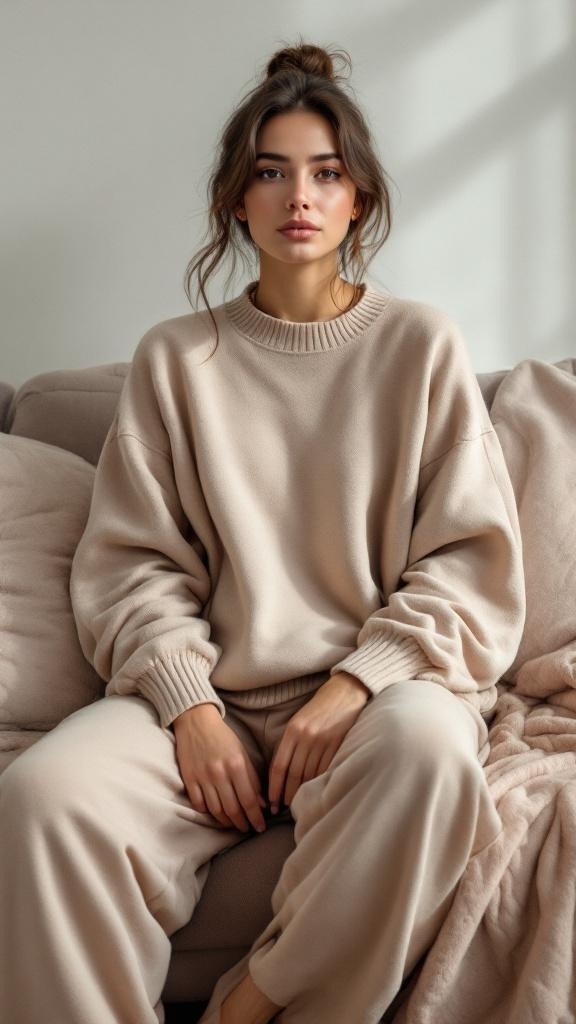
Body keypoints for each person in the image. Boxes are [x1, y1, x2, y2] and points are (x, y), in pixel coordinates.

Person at [0, 39, 525, 1024]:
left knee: (434, 758)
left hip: (380, 698)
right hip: (213, 702)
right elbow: (133, 566)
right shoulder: (176, 360)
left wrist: (358, 679)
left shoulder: (420, 347)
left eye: (327, 173)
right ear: (235, 200)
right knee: (43, 795)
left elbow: (468, 560)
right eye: (272, 173)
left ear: (358, 198)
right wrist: (191, 705)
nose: (300, 196)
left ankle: (258, 1004)